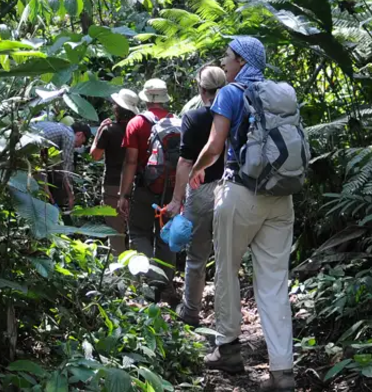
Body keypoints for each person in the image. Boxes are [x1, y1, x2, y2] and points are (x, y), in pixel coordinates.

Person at [188, 37, 296, 389]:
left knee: (227, 269)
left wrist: (195, 170)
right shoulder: (279, 94)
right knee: (274, 282)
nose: (224, 62)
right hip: (280, 196)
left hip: (240, 191)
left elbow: (215, 146)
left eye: (228, 56)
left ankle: (228, 349)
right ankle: (282, 371)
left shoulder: (230, 93)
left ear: (242, 61)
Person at [163, 66, 227, 327]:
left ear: (202, 89)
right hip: (232, 190)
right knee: (226, 258)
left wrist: (176, 200)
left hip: (200, 191)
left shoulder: (193, 117)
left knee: (197, 257)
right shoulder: (236, 113)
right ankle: (226, 318)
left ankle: (191, 312)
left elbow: (186, 161)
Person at [117, 78, 179, 304]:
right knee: (166, 237)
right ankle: (165, 284)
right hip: (171, 189)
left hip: (145, 189)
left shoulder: (136, 123)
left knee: (138, 233)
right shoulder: (177, 121)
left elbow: (131, 161)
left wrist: (123, 195)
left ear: (145, 98)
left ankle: (150, 281)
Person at [90, 89, 140, 255]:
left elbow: (95, 155)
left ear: (117, 109)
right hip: (137, 185)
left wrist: (99, 132)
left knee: (116, 232)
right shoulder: (139, 129)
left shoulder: (109, 130)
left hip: (113, 187)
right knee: (137, 233)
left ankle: (119, 268)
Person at [32, 120, 92, 209]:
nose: (80, 146)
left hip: (29, 140)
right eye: (82, 143)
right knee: (42, 182)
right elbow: (67, 168)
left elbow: (55, 163)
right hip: (35, 145)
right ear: (80, 134)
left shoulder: (60, 128)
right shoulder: (70, 136)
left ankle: (49, 202)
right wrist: (71, 195)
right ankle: (50, 205)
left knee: (42, 177)